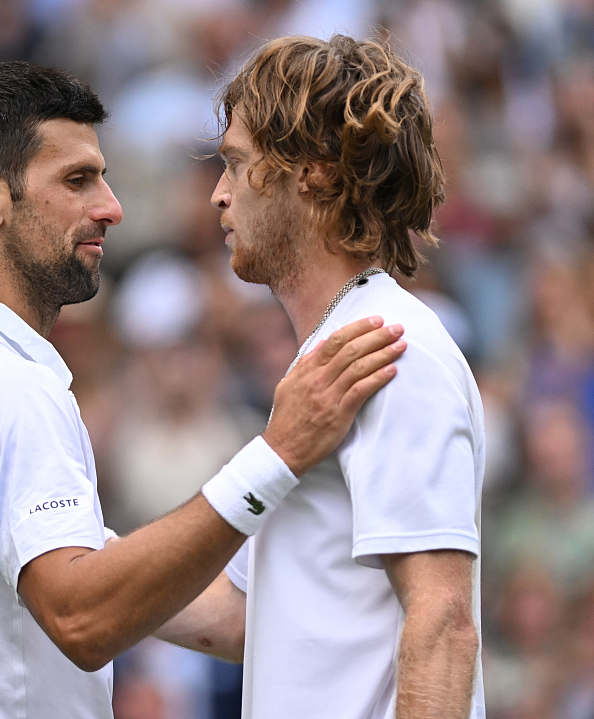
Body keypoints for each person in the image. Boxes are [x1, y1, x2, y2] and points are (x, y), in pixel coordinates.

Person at [0, 61, 407, 719]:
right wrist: (277, 453)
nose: (111, 207)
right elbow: (83, 617)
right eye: (77, 180)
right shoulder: (7, 387)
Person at [155, 36, 486, 719]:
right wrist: (62, 556)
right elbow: (246, 615)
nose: (218, 195)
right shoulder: (331, 353)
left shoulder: (392, 347)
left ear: (311, 172)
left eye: (235, 164)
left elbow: (442, 622)